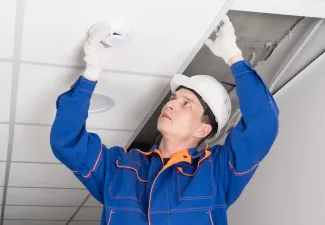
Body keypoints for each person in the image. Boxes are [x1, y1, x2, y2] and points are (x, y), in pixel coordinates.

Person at [50, 16, 279, 225]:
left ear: (203, 129)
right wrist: (91, 73)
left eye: (186, 103)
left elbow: (263, 122)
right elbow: (67, 141)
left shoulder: (217, 172)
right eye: (173, 98)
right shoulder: (120, 167)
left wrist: (233, 55)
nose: (170, 104)